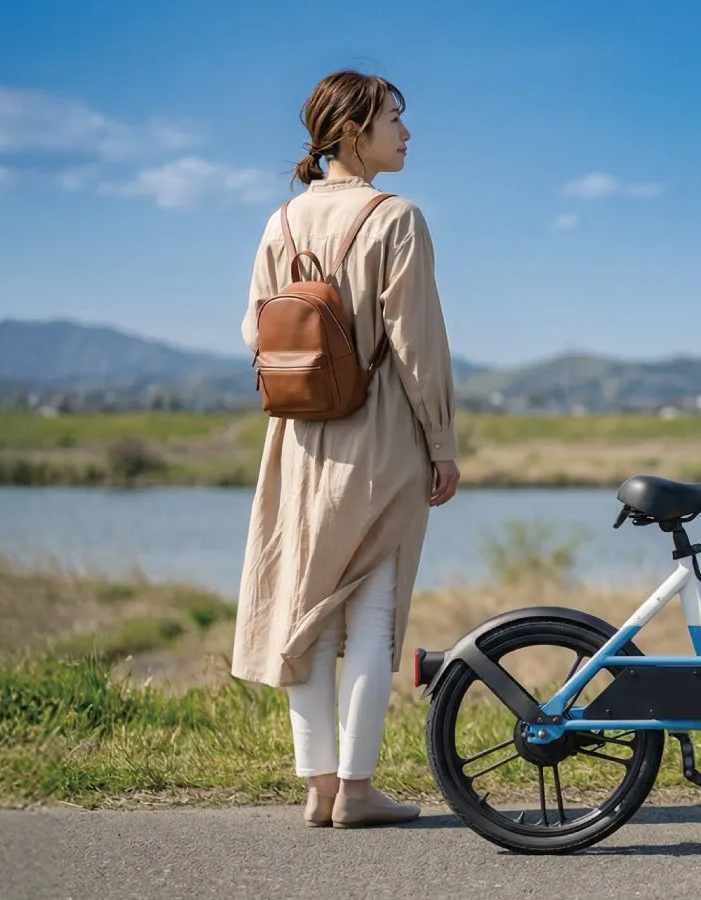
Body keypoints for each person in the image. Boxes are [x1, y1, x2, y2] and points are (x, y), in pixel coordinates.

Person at [231, 69, 460, 829]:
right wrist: (443, 444)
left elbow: (252, 334)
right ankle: (358, 791)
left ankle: (317, 785)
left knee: (303, 604)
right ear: (355, 131)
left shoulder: (281, 224)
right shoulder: (397, 218)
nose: (407, 131)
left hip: (297, 442)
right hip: (382, 434)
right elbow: (418, 348)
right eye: (395, 116)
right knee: (371, 607)